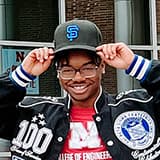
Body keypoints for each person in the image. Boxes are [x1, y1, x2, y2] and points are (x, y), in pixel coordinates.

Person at [0, 19, 160, 160]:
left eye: (87, 68)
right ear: (57, 73)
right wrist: (21, 75)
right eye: (67, 70)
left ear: (102, 66)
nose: (78, 78)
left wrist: (136, 64)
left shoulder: (138, 107)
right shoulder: (35, 113)